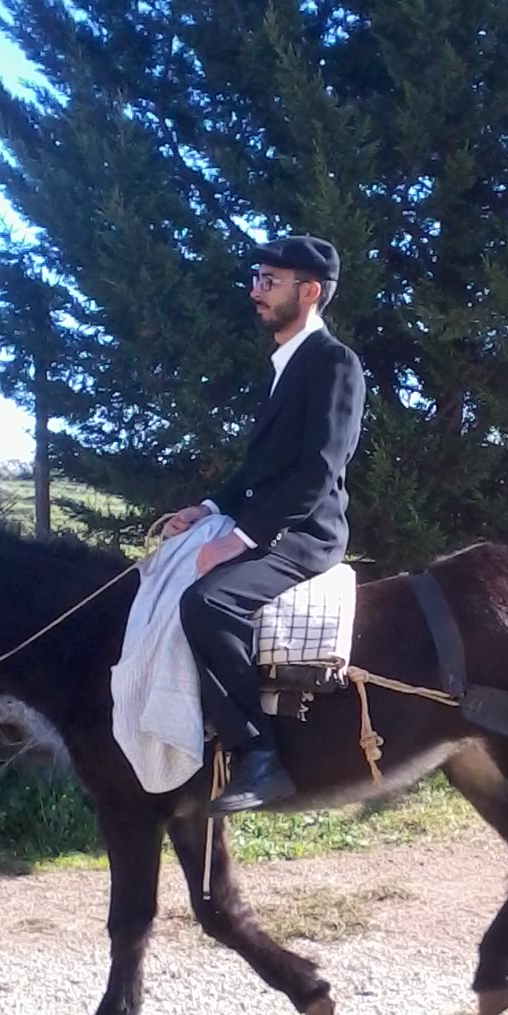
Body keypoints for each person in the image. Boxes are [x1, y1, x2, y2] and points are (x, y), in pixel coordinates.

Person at [164, 235, 365, 812]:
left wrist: (239, 540)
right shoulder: (285, 365)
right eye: (257, 279)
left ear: (310, 292)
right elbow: (259, 470)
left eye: (270, 282)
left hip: (307, 535)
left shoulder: (335, 364)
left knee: (208, 604)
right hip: (273, 525)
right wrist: (207, 509)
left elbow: (317, 472)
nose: (256, 291)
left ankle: (260, 754)